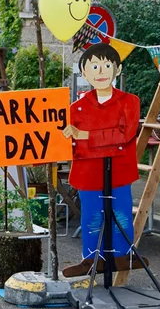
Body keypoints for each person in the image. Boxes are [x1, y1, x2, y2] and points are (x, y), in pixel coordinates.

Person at [61, 43, 144, 277]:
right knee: (91, 216)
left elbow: (124, 135)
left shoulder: (130, 102)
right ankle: (90, 259)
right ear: (84, 73)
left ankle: (122, 255)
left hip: (119, 170)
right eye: (94, 66)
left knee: (121, 213)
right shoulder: (75, 109)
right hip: (88, 171)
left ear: (117, 69)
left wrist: (86, 136)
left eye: (107, 65)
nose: (101, 71)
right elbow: (74, 144)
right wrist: (101, 140)